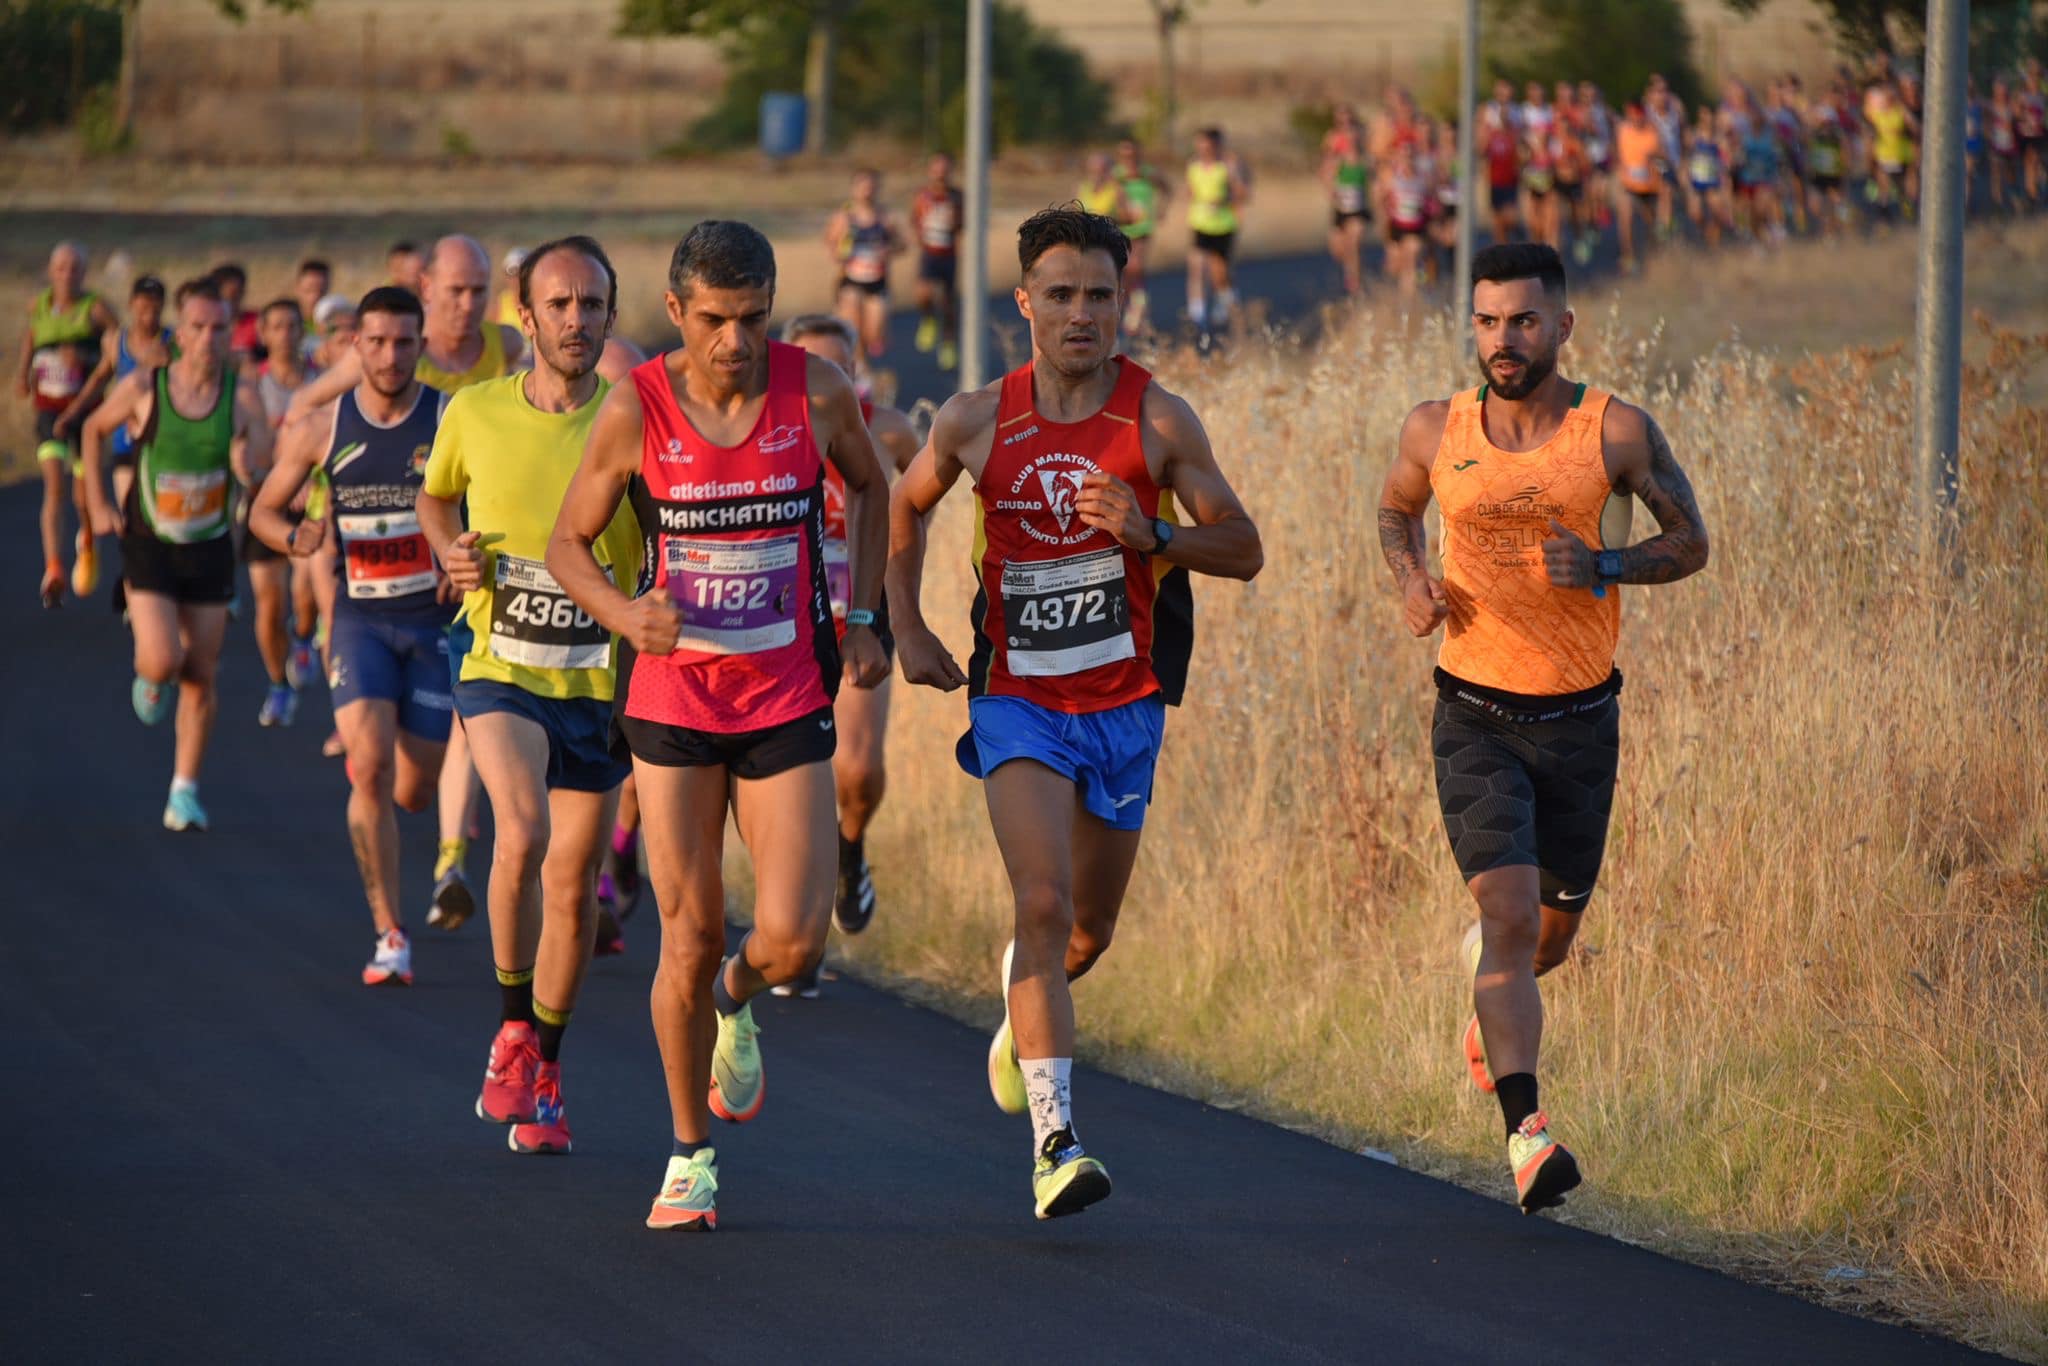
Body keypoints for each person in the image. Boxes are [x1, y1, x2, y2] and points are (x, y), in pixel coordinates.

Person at [887, 206, 1262, 1220]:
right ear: (1024, 303)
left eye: (1098, 294)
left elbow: (1243, 546)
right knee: (1042, 903)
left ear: (1121, 300)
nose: (1080, 313)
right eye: (1059, 294)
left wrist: (1150, 535)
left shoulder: (1158, 420)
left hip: (1124, 706)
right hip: (1016, 701)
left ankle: (1027, 997)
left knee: (1084, 931)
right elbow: (905, 505)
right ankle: (1055, 1140)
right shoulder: (974, 416)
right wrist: (905, 627)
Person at [546, 219, 890, 1230]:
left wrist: (863, 616)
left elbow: (868, 486)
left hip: (785, 693)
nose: (735, 341)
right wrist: (621, 612)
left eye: (751, 319)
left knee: (794, 940)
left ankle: (739, 1000)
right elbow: (567, 543)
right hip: (674, 706)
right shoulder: (635, 408)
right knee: (685, 937)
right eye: (713, 321)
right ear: (676, 313)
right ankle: (688, 1152)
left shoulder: (814, 391)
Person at [1375, 242, 1710, 1214]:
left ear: (1561, 327)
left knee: (1546, 940)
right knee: (1510, 918)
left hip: (1578, 724)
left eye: (1521, 321)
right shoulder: (1435, 428)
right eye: (1485, 321)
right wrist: (1408, 581)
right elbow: (1395, 513)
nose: (1501, 340)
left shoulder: (1613, 434)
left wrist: (1604, 568)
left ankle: (1492, 1004)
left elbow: (1688, 543)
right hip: (1472, 714)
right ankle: (1527, 1137)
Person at [417, 236, 637, 1155]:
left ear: (610, 316)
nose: (576, 321)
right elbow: (437, 498)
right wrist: (448, 547)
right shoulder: (473, 410)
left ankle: (544, 1063)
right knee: (523, 830)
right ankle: (511, 1023)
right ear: (526, 315)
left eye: (592, 306)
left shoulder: (634, 419)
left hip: (599, 679)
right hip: (498, 663)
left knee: (576, 887)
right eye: (560, 305)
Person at [294, 235, 528, 928]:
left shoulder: (505, 349)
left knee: (431, 765)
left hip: (466, 564)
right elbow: (309, 419)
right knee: (390, 762)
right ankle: (418, 886)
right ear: (427, 290)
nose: (468, 304)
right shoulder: (383, 356)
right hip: (379, 557)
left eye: (479, 291)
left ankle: (442, 831)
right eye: (456, 290)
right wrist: (313, 508)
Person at [252, 286, 455, 986]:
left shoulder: (449, 419)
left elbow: (489, 505)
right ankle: (389, 934)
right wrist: (295, 536)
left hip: (433, 630)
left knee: (414, 792)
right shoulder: (322, 427)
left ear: (420, 345)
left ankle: (405, 821)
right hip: (362, 623)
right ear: (354, 347)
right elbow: (261, 512)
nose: (391, 355)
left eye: (404, 342)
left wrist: (465, 555)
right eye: (376, 341)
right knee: (367, 768)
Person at [80, 277, 271, 831]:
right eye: (197, 327)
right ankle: (149, 673)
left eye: (219, 328)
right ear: (179, 332)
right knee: (165, 659)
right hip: (150, 545)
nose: (208, 338)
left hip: (210, 547)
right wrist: (95, 506)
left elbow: (262, 461)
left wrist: (249, 464)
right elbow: (93, 429)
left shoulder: (241, 395)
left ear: (230, 332)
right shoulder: (145, 386)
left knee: (201, 673)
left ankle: (183, 790)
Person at [774, 313, 921, 997]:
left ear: (856, 371)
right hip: (784, 619)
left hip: (860, 610)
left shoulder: (888, 432)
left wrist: (893, 583)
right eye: (810, 369)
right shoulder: (766, 430)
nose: (823, 384)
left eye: (837, 368)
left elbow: (914, 513)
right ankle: (794, 942)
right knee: (792, 784)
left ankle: (852, 853)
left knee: (857, 771)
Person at [21, 241, 118, 607]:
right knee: (54, 489)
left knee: (82, 498)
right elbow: (31, 337)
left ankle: (87, 540)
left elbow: (116, 348)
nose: (67, 275)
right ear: (51, 271)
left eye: (74, 268)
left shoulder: (96, 310)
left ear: (84, 273)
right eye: (61, 268)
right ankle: (54, 567)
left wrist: (86, 356)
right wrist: (22, 374)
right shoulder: (39, 305)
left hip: (86, 414)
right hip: (48, 408)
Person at [246, 299, 317, 725]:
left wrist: (310, 480)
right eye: (276, 326)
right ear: (264, 334)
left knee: (304, 596)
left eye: (293, 325)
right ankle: (277, 684)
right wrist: (242, 462)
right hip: (265, 503)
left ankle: (305, 636)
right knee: (268, 606)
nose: (286, 334)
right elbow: (239, 437)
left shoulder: (319, 381)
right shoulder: (252, 386)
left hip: (310, 503)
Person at [826, 169, 905, 366]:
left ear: (877, 188)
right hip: (851, 280)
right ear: (854, 189)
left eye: (871, 186)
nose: (867, 191)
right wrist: (841, 249)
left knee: (874, 335)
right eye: (862, 186)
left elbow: (902, 245)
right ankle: (860, 371)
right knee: (854, 332)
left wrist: (889, 249)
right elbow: (832, 246)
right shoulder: (844, 218)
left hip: (877, 281)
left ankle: (866, 359)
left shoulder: (885, 218)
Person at [1184, 126, 1250, 337]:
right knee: (1197, 266)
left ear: (1217, 145)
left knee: (1219, 274)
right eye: (1200, 145)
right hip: (1200, 223)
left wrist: (1223, 200)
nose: (1204, 150)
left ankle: (1229, 304)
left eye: (1208, 146)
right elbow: (1190, 191)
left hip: (1223, 224)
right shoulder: (1193, 166)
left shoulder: (1228, 166)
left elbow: (1242, 194)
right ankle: (1197, 314)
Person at [910, 152, 965, 372]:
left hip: (949, 254)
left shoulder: (957, 196)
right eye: (937, 168)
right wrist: (919, 234)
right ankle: (928, 320)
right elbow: (914, 218)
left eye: (945, 168)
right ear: (930, 171)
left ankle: (949, 343)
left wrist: (954, 222)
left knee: (948, 302)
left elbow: (963, 223)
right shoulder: (922, 196)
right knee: (923, 292)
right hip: (929, 253)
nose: (941, 173)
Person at [1113, 139, 1166, 334]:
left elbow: (1166, 189)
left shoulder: (1148, 173)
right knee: (1125, 270)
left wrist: (1161, 209)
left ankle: (1135, 311)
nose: (1128, 159)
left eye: (1131, 154)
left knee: (1136, 266)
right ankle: (1136, 306)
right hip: (1121, 227)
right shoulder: (1116, 175)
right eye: (1124, 155)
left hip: (1143, 227)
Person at [1321, 105, 1372, 298]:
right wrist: (1332, 190)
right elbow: (1325, 173)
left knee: (1355, 240)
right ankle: (1351, 270)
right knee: (1339, 249)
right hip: (1341, 207)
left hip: (1359, 207)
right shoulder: (1333, 146)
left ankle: (1355, 281)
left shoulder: (1364, 157)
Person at [1614, 103, 1667, 272]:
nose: (1635, 119)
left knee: (1650, 221)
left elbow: (1663, 157)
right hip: (1629, 185)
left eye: (1638, 115)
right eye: (1631, 115)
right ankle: (1628, 256)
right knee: (1625, 217)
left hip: (1650, 186)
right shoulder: (1623, 131)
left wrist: (1655, 157)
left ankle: (1655, 250)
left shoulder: (1653, 132)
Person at [1683, 106, 1731, 248]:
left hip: (1713, 181)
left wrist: (1726, 167)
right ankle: (1706, 230)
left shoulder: (1718, 138)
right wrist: (1685, 175)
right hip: (1696, 181)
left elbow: (1726, 158)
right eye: (1703, 115)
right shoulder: (1693, 136)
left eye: (1709, 115)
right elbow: (1686, 156)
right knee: (1695, 214)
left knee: (1718, 212)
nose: (1707, 119)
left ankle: (1714, 241)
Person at [293, 260, 332, 357]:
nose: (315, 297)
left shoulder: (334, 324)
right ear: (297, 288)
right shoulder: (288, 323)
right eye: (309, 290)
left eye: (321, 291)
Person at [493, 247, 528, 332]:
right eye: (512, 272)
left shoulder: (538, 301)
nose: (517, 278)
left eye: (522, 271)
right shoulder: (500, 303)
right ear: (505, 276)